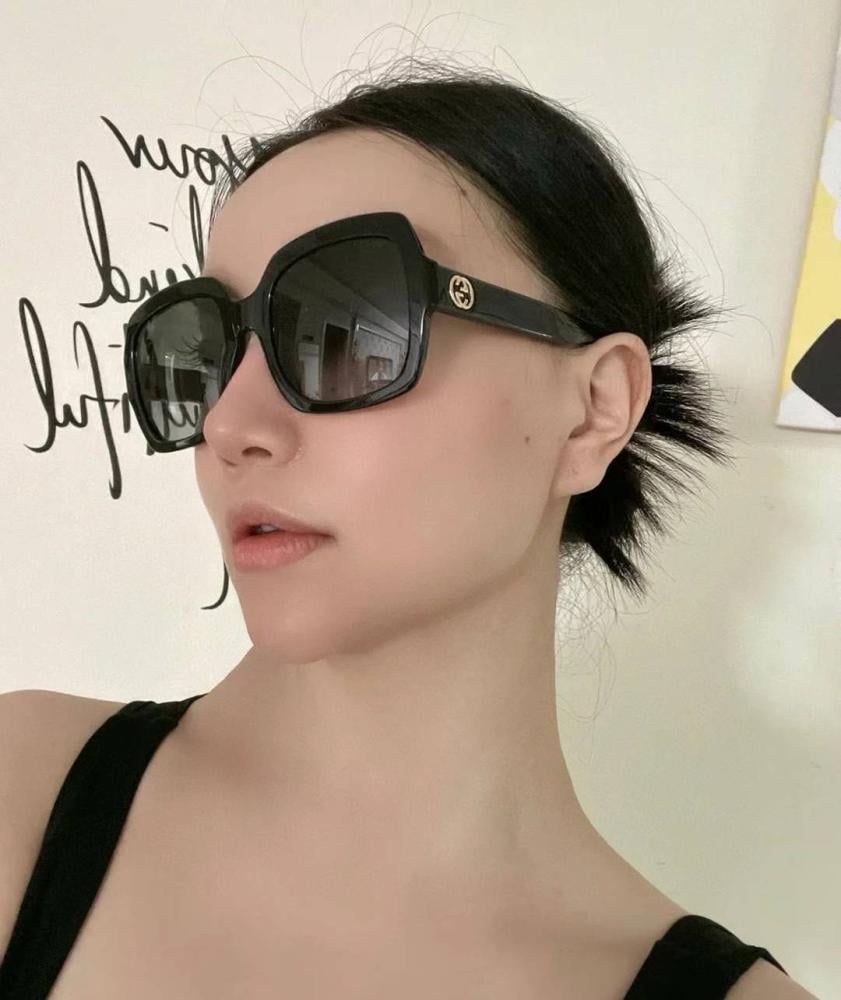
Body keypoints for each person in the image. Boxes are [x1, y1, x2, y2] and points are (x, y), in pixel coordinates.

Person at [0, 60, 812, 998]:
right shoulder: (23, 794)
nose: (229, 423)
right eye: (208, 348)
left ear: (592, 410)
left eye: (345, 326)